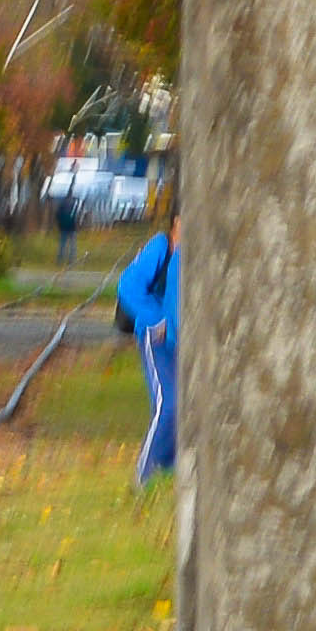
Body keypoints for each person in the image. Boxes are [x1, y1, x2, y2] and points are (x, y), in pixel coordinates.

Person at [113, 206, 182, 481]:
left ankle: (168, 468)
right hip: (156, 337)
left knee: (183, 406)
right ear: (177, 220)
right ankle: (146, 473)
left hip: (180, 340)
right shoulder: (161, 247)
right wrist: (156, 319)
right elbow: (128, 286)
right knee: (168, 402)